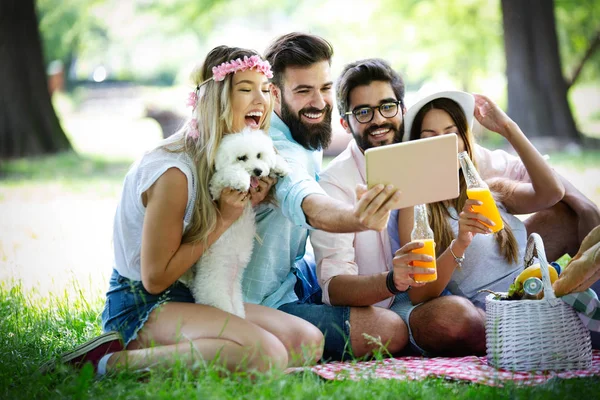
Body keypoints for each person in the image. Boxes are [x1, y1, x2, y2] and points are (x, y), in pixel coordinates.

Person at [41, 46, 325, 376]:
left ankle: (204, 358)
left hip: (193, 298)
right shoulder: (174, 171)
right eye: (245, 90)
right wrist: (224, 219)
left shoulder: (225, 156)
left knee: (308, 341)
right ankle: (105, 362)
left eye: (265, 90)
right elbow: (155, 279)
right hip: (144, 307)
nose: (261, 101)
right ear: (213, 99)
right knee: (267, 355)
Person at [241, 35, 407, 361]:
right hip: (258, 301)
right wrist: (357, 218)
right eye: (303, 91)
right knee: (389, 331)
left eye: (325, 88)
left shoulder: (303, 130)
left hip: (290, 278)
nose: (319, 101)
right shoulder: (271, 147)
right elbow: (307, 200)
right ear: (274, 93)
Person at [309, 59, 485, 358]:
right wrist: (392, 280)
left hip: (453, 279)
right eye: (363, 112)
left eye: (387, 106)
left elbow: (490, 164)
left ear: (402, 109)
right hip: (390, 304)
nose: (378, 120)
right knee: (457, 319)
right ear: (345, 123)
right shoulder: (335, 185)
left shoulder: (427, 147)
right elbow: (334, 289)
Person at [390, 90, 565, 352]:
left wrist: (508, 128)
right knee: (455, 317)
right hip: (495, 313)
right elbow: (419, 294)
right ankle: (528, 339)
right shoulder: (416, 207)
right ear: (418, 146)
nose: (444, 144)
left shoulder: (489, 188)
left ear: (464, 138)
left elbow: (552, 193)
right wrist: (459, 243)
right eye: (430, 138)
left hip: (543, 290)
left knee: (568, 218)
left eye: (451, 133)